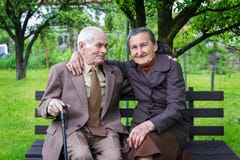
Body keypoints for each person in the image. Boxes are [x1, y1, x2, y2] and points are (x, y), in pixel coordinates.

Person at [67, 27, 191, 160]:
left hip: (169, 127)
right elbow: (98, 60)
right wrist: (77, 54)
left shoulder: (172, 67)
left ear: (154, 46)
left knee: (143, 151)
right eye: (134, 47)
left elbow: (176, 107)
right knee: (137, 147)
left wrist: (148, 126)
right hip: (139, 126)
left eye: (143, 45)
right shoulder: (131, 67)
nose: (139, 52)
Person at [37, 26, 129, 160]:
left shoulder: (114, 73)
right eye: (99, 46)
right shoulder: (61, 71)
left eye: (105, 46)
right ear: (81, 46)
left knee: (114, 157)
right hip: (72, 129)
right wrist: (51, 104)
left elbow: (139, 83)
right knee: (81, 155)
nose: (104, 50)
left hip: (104, 129)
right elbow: (44, 104)